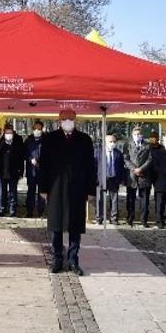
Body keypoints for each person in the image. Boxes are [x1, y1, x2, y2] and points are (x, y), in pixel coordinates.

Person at [38, 110, 97, 275]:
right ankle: (57, 258)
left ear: (75, 121)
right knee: (56, 225)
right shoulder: (50, 139)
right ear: (59, 121)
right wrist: (42, 188)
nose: (67, 122)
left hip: (77, 188)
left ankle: (73, 259)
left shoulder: (84, 140)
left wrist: (91, 190)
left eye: (70, 119)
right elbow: (44, 165)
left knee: (75, 225)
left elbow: (90, 167)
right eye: (64, 119)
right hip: (55, 188)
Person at [0, 124, 26, 216]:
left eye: (10, 132)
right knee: (1, 193)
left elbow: (21, 159)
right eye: (7, 133)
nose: (9, 134)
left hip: (14, 173)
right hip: (1, 172)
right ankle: (1, 210)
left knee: (13, 193)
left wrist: (21, 171)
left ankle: (12, 211)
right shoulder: (0, 143)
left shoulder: (17, 144)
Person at [94, 133, 126, 224]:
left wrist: (121, 180)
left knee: (114, 200)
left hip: (114, 179)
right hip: (101, 179)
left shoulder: (118, 153)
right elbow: (94, 166)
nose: (112, 143)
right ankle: (99, 218)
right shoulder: (98, 152)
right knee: (100, 200)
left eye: (114, 141)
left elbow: (121, 167)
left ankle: (114, 218)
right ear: (105, 142)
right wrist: (95, 179)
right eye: (110, 141)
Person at [124, 127, 151, 226]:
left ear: (142, 135)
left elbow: (150, 159)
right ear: (132, 135)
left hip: (144, 175)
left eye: (139, 134)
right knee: (130, 198)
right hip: (132, 175)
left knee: (144, 199)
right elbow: (126, 159)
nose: (137, 136)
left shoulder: (148, 145)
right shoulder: (128, 144)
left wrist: (141, 169)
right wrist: (134, 169)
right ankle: (130, 217)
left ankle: (144, 219)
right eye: (135, 134)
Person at [25, 121, 46, 217]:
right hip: (31, 170)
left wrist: (40, 162)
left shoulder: (46, 139)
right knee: (31, 192)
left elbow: (49, 154)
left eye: (39, 128)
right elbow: (24, 153)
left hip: (42, 170)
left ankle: (40, 211)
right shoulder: (29, 140)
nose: (37, 130)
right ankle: (29, 211)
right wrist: (30, 159)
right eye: (35, 128)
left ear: (42, 129)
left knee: (41, 192)